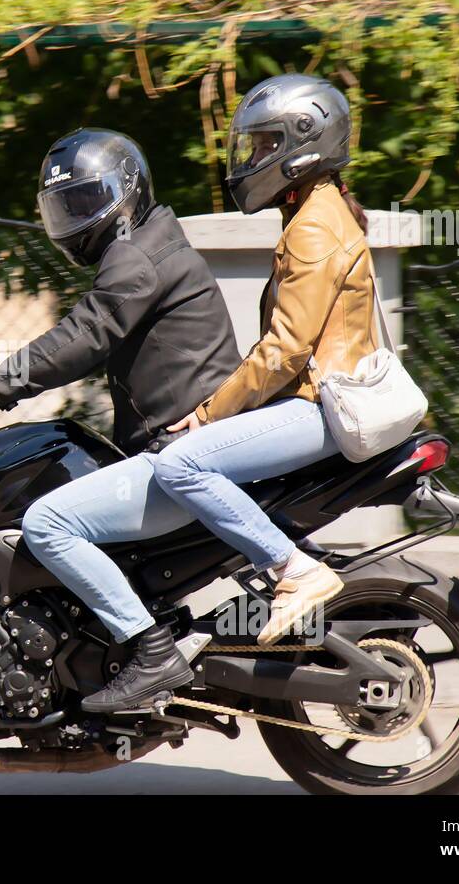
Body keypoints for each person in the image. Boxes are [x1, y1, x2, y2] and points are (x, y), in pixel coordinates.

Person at [0, 127, 241, 713]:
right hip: (177, 452)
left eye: (87, 202)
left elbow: (76, 341)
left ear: (128, 192)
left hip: (180, 458)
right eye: (66, 207)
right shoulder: (152, 247)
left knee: (46, 522)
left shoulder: (137, 259)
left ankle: (150, 651)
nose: (77, 219)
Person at [151, 73, 379, 647]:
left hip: (319, 408)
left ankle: (294, 572)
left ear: (303, 145)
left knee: (182, 465)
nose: (252, 158)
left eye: (263, 145)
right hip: (315, 402)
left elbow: (284, 350)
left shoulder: (314, 227)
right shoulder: (317, 212)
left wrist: (207, 415)